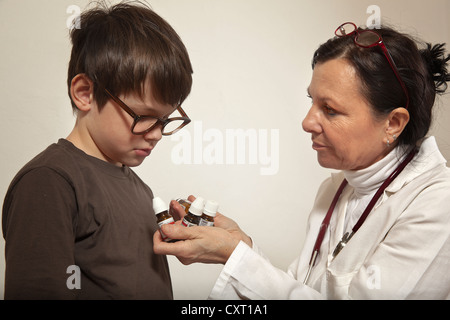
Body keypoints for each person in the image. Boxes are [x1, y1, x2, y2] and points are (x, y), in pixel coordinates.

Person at [153, 22, 450, 299]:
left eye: (330, 109)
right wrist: (243, 247)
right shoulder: (334, 190)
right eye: (312, 101)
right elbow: (301, 289)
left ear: (394, 123)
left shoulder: (437, 203)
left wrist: (235, 256)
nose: (307, 122)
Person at [2, 2, 193, 299]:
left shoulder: (138, 188)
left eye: (166, 120)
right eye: (144, 116)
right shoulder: (49, 182)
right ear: (85, 94)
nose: (157, 134)